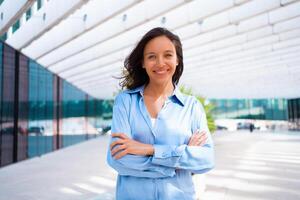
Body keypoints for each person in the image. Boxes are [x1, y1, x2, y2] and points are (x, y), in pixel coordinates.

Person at [106, 27, 215, 200]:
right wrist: (177, 161)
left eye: (168, 55)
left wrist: (147, 149)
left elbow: (206, 160)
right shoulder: (125, 102)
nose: (160, 63)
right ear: (142, 62)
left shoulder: (191, 107)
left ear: (177, 60)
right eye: (152, 56)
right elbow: (118, 160)